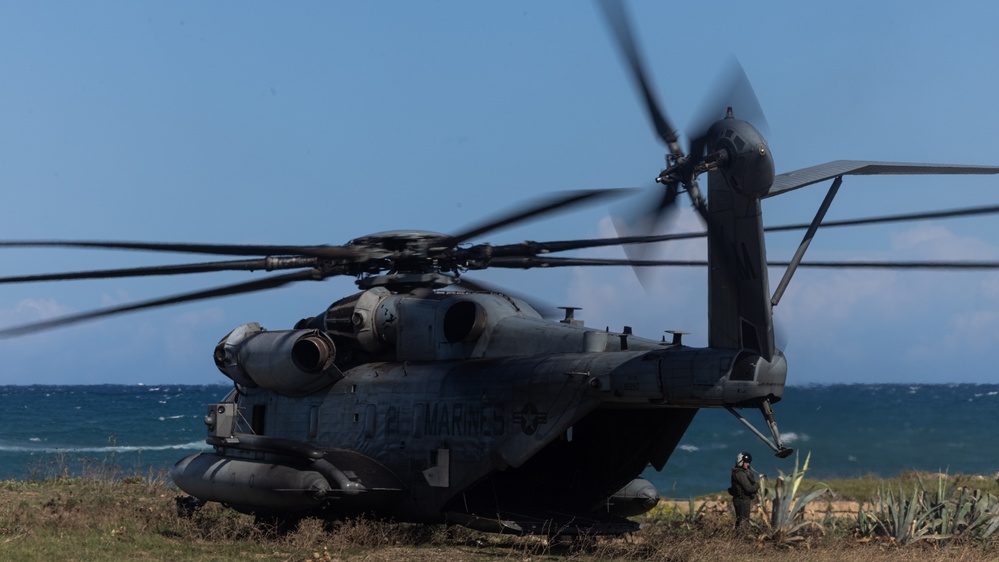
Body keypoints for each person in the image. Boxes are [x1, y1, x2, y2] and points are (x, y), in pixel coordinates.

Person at [729, 451, 758, 532]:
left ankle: (739, 539)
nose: (747, 464)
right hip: (742, 500)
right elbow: (748, 488)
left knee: (742, 522)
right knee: (743, 523)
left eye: (748, 462)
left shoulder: (742, 471)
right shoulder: (739, 473)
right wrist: (757, 485)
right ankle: (742, 540)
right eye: (746, 462)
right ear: (740, 462)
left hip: (743, 499)